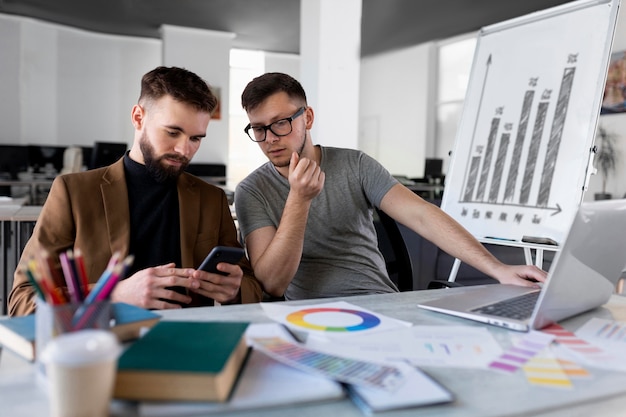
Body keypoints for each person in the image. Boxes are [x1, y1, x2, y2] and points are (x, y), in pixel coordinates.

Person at [235, 72, 547, 301]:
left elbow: (423, 216)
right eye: (259, 128)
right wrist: (299, 200)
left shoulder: (355, 165)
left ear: (308, 118)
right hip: (309, 314)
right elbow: (272, 283)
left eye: (280, 123)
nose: (271, 138)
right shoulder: (252, 191)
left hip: (379, 301)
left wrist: (498, 269)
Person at [9, 66, 262, 316]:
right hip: (103, 346)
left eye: (196, 138)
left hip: (187, 344)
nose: (184, 150)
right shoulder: (73, 192)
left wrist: (234, 290)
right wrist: (113, 295)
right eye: (173, 132)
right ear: (138, 117)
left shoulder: (211, 199)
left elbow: (251, 287)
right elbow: (23, 300)